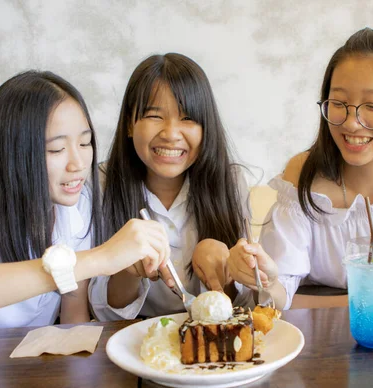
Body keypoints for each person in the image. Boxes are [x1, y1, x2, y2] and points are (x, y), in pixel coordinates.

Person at [0, 71, 171, 331]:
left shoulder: (75, 210)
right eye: (56, 149)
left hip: (34, 368)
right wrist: (98, 259)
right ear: (13, 152)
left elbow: (73, 325)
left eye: (85, 143)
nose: (79, 164)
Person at [227, 28, 373, 310]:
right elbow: (277, 301)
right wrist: (266, 280)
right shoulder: (302, 175)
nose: (351, 122)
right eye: (338, 103)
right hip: (313, 346)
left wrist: (307, 302)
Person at [89, 53, 254, 320]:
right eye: (154, 115)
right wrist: (127, 270)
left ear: (206, 128)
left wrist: (223, 274)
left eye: (187, 118)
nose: (170, 133)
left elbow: (245, 304)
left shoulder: (230, 182)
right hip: (133, 341)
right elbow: (103, 314)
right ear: (130, 125)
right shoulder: (101, 185)